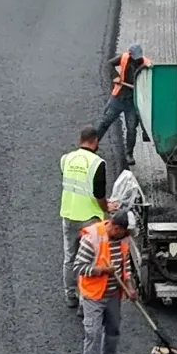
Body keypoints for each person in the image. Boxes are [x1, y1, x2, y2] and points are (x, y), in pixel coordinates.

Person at [74, 211, 134, 354]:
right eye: (123, 232)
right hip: (94, 296)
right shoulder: (92, 238)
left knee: (113, 328)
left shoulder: (124, 239)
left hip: (114, 294)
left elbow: (127, 266)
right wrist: (102, 270)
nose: (125, 236)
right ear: (116, 227)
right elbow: (79, 267)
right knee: (93, 333)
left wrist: (130, 288)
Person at [60, 125, 111, 308]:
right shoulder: (98, 163)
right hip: (90, 219)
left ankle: (70, 295)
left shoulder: (66, 159)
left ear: (80, 140)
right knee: (88, 259)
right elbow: (99, 194)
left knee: (70, 257)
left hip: (68, 215)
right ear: (95, 141)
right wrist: (107, 208)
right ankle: (84, 301)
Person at [95, 43, 147, 165]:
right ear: (130, 54)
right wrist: (116, 76)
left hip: (133, 101)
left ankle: (129, 154)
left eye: (139, 58)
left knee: (131, 128)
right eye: (135, 58)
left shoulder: (146, 64)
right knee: (105, 121)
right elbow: (109, 64)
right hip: (118, 97)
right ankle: (93, 145)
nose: (137, 60)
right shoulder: (123, 58)